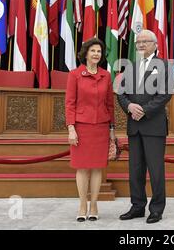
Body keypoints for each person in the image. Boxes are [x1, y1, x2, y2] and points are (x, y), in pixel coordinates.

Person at [117, 29, 172, 224]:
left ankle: (156, 209)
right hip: (134, 126)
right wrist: (130, 107)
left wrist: (144, 110)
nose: (140, 45)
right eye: (138, 42)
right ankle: (137, 206)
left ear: (155, 45)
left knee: (156, 171)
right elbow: (120, 94)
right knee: (135, 170)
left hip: (154, 126)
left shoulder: (165, 65)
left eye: (145, 41)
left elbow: (165, 94)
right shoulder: (131, 66)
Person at [65, 38, 116, 222]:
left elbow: (110, 105)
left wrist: (112, 128)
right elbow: (69, 104)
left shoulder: (106, 75)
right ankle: (82, 204)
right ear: (85, 53)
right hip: (81, 127)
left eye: (99, 51)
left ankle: (94, 204)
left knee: (97, 168)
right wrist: (71, 129)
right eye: (93, 51)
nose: (96, 54)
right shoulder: (74, 75)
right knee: (82, 168)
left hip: (101, 127)